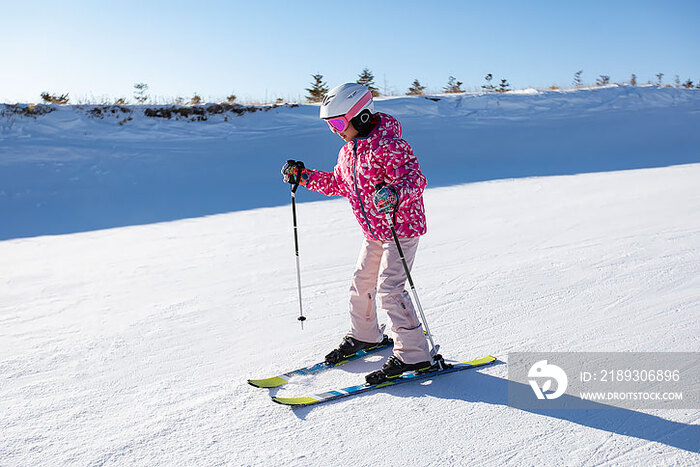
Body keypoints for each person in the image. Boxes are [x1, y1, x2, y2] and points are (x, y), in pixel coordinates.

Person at [281, 83, 432, 384]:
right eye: (330, 126)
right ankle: (366, 336)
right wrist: (304, 176)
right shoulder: (348, 152)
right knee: (361, 283)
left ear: (361, 117)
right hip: (374, 232)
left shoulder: (390, 146)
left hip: (400, 229)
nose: (335, 131)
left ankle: (415, 354)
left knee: (390, 290)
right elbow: (339, 184)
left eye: (338, 123)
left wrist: (394, 193)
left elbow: (416, 180)